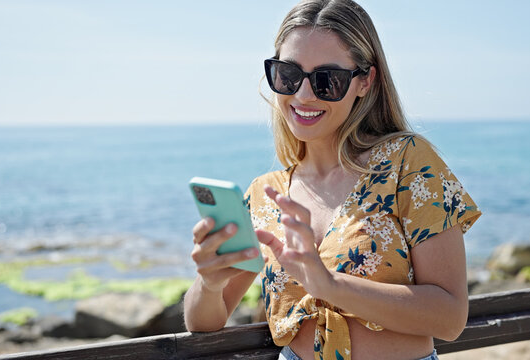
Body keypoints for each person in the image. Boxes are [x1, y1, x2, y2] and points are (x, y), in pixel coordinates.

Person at [184, 1, 482, 359]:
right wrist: (209, 283)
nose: (304, 95)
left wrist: (330, 285)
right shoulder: (266, 194)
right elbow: (202, 324)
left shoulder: (408, 163)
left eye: (327, 80)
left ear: (365, 81)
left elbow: (450, 318)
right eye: (288, 75)